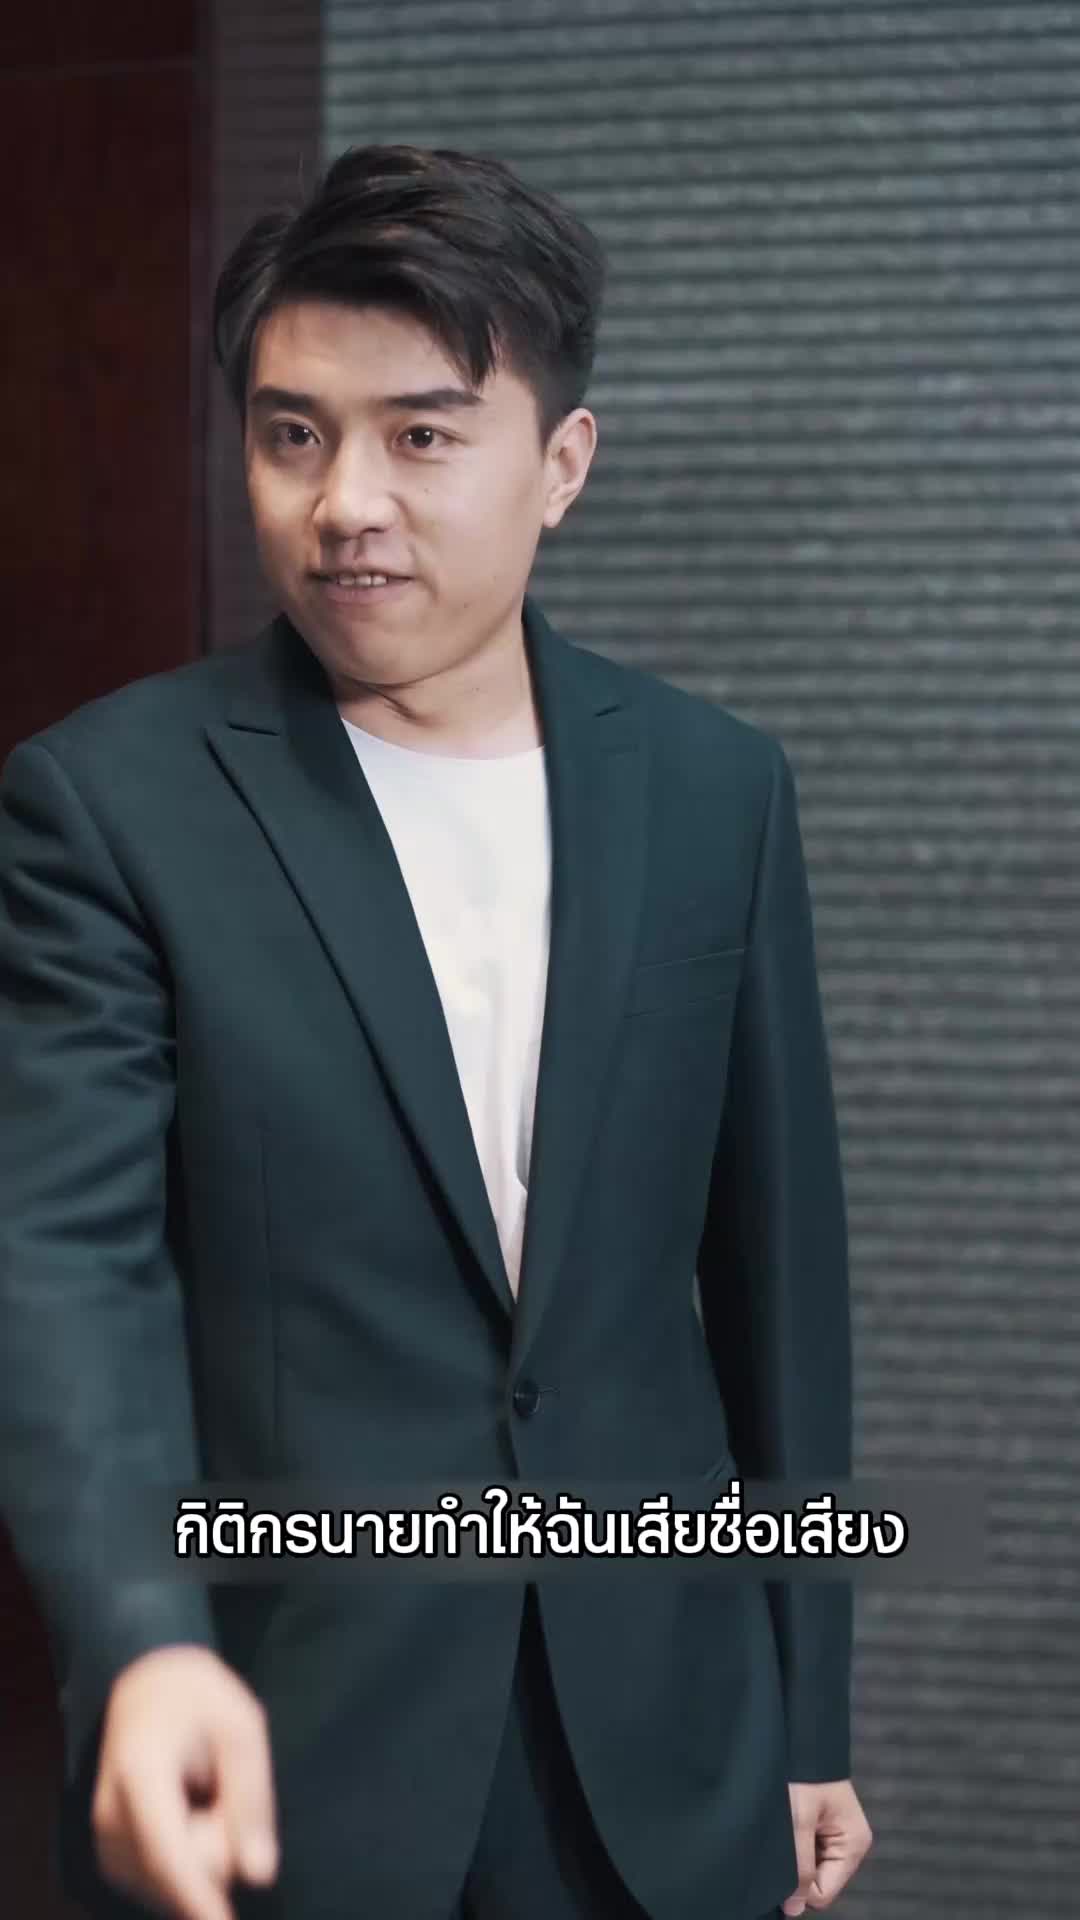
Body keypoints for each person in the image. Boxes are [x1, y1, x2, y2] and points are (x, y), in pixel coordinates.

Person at [0, 143, 872, 1920]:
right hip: (290, 1734)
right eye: (293, 434)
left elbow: (778, 1278)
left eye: (419, 435)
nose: (345, 503)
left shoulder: (715, 789)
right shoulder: (106, 805)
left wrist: (808, 1711)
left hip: (666, 1745)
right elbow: (65, 1272)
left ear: (561, 465)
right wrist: (144, 1642)